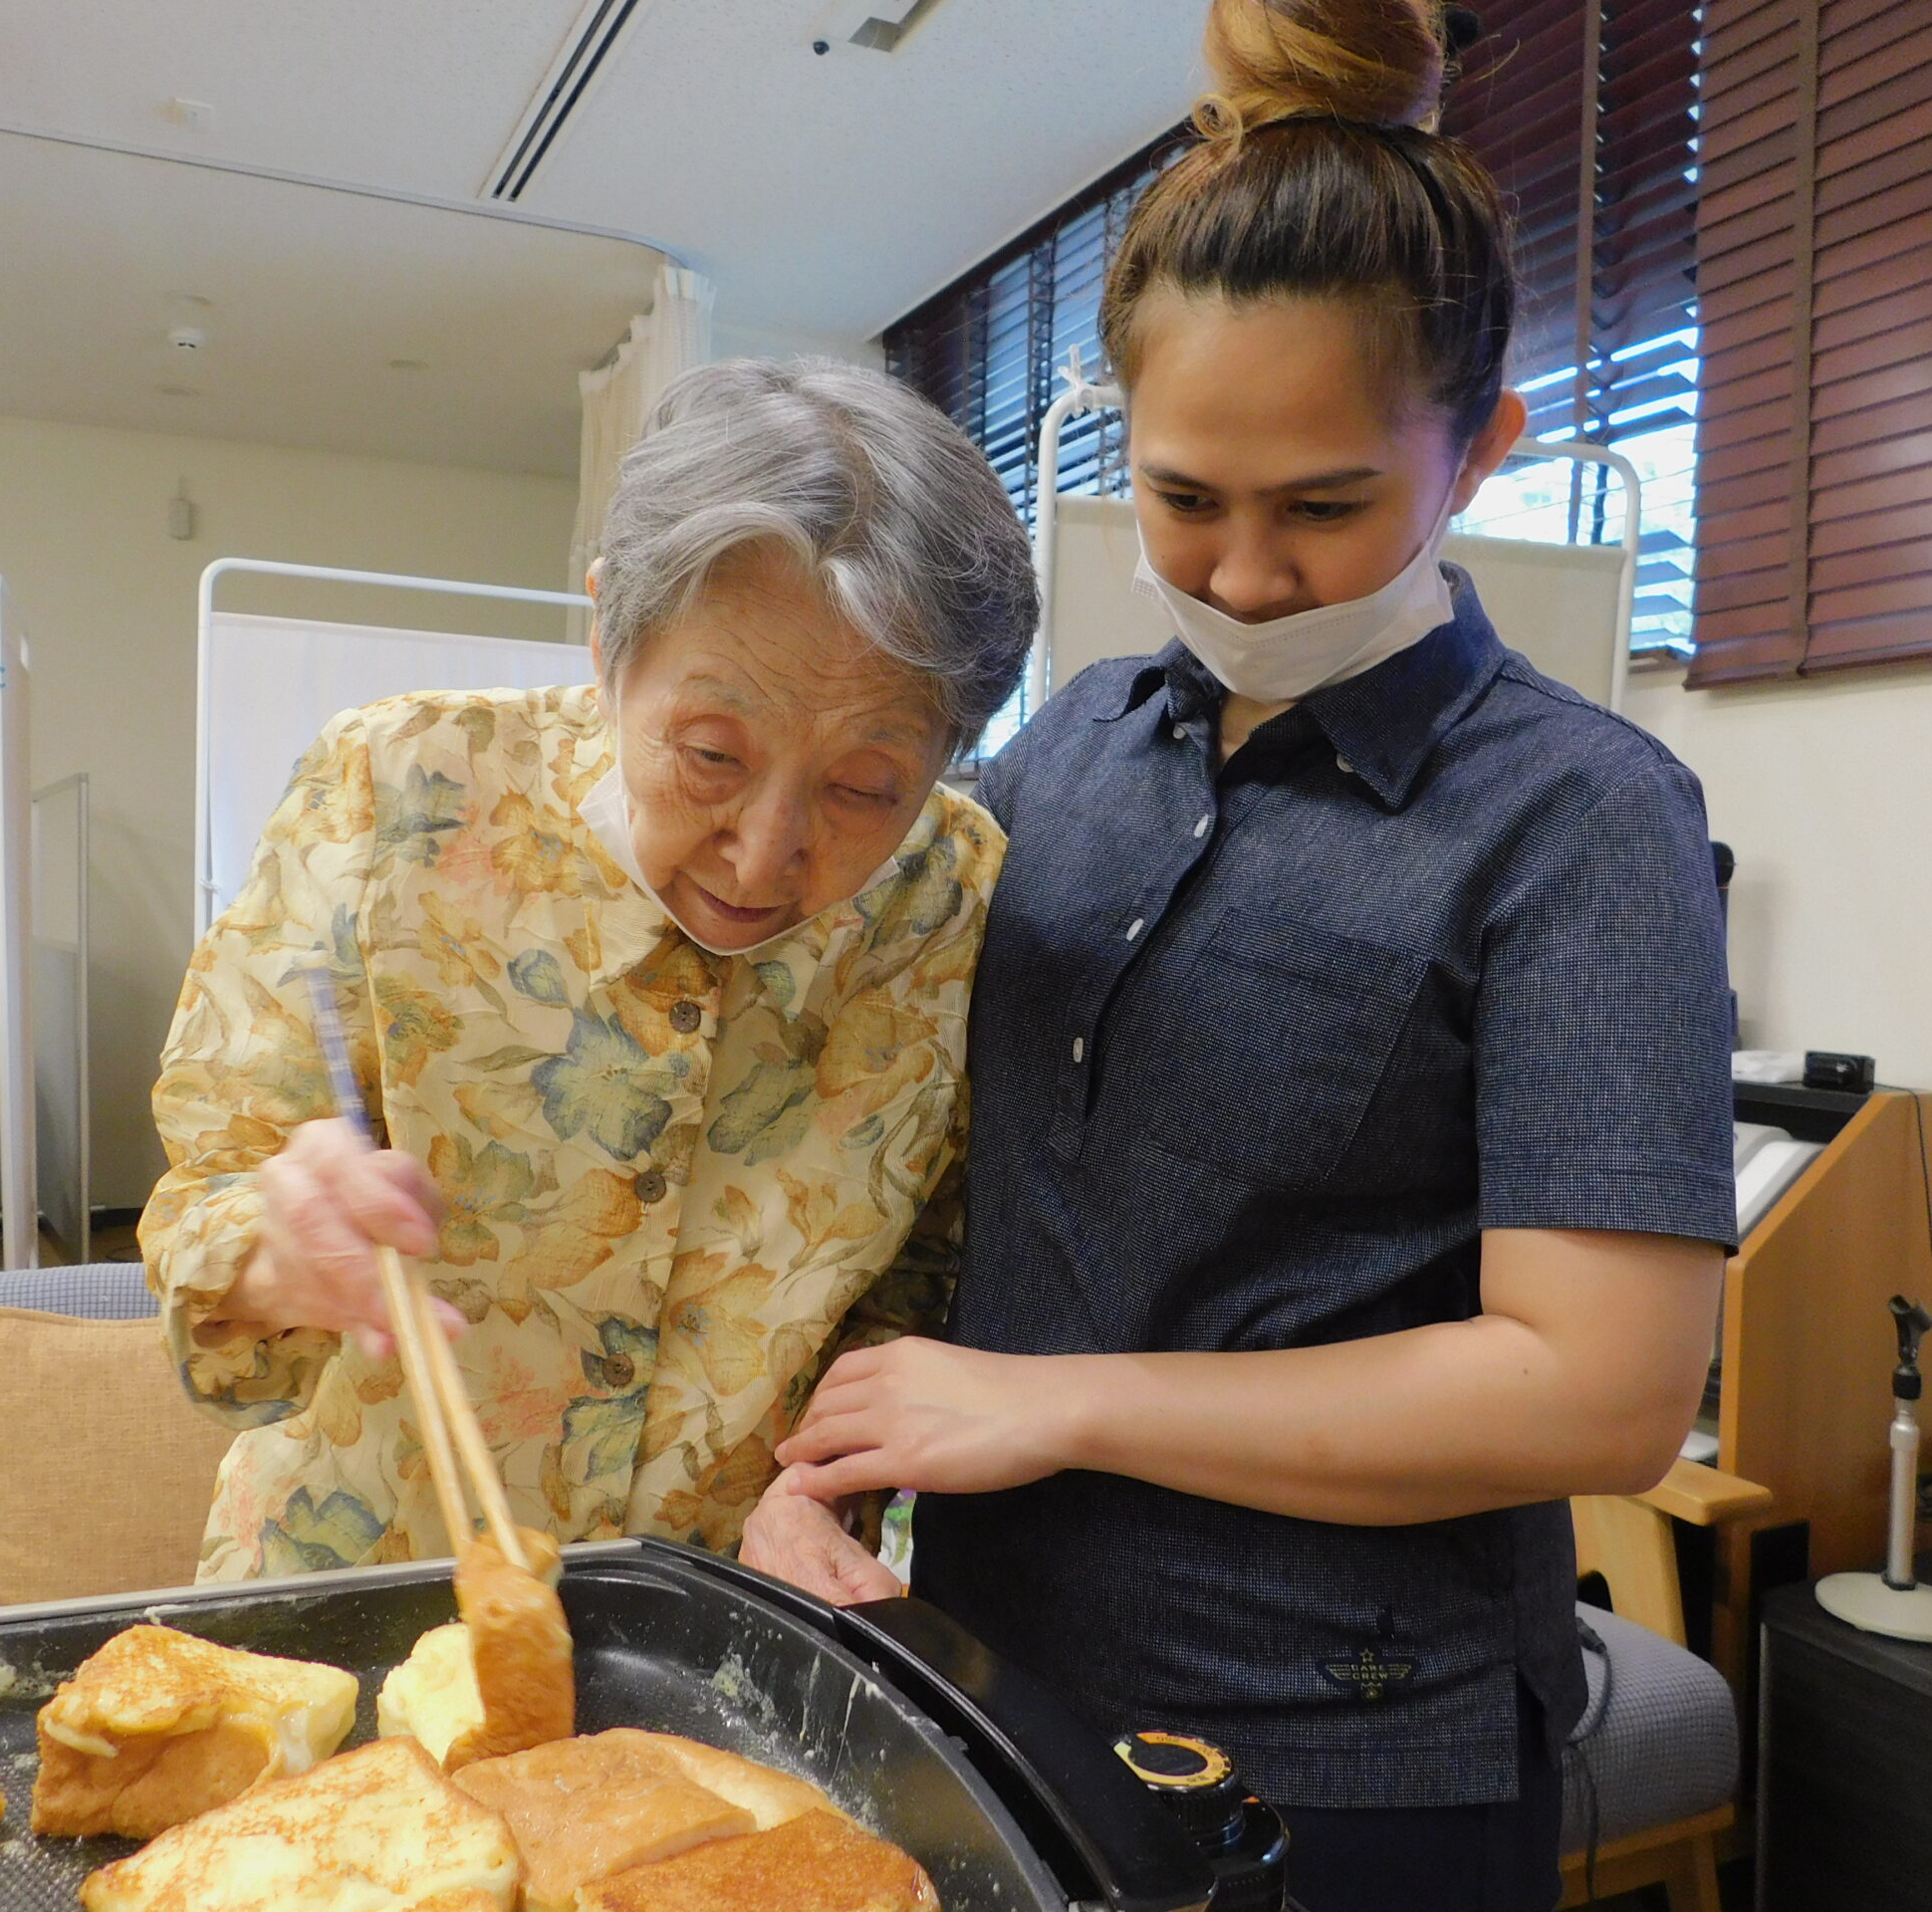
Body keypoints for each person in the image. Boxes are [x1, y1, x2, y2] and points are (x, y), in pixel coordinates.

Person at [740, 3, 1737, 1906]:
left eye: (1326, 508)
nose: (1248, 578)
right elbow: (908, 1157)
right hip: (994, 1670)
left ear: (1483, 452)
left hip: (1351, 1750)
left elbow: (1597, 1392)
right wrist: (831, 1437)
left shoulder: (1580, 819)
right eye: (1187, 503)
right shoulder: (1071, 750)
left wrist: (1058, 1400)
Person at [140, 358, 1036, 1580]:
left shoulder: (952, 899)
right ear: (610, 632)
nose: (766, 853)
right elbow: (210, 1187)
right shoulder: (400, 785)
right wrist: (272, 1251)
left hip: (715, 1612)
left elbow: (913, 1282)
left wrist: (823, 1489)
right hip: (366, 1574)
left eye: (865, 788)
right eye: (713, 755)